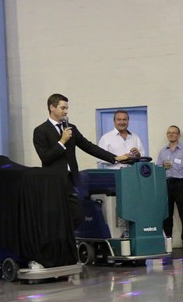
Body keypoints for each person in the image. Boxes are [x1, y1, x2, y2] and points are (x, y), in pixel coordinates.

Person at [33, 93, 128, 228]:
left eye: (67, 108)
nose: (66, 111)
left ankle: (70, 238)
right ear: (52, 107)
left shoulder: (70, 128)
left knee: (78, 215)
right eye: (63, 108)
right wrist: (62, 142)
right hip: (53, 181)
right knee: (56, 217)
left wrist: (114, 157)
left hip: (72, 179)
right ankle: (61, 240)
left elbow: (88, 146)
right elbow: (45, 157)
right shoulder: (40, 130)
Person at [156, 125, 183, 249]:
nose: (171, 134)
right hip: (166, 183)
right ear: (167, 135)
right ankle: (167, 242)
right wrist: (163, 167)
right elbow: (157, 168)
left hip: (181, 183)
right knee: (166, 215)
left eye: (174, 133)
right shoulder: (163, 151)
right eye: (169, 133)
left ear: (178, 135)